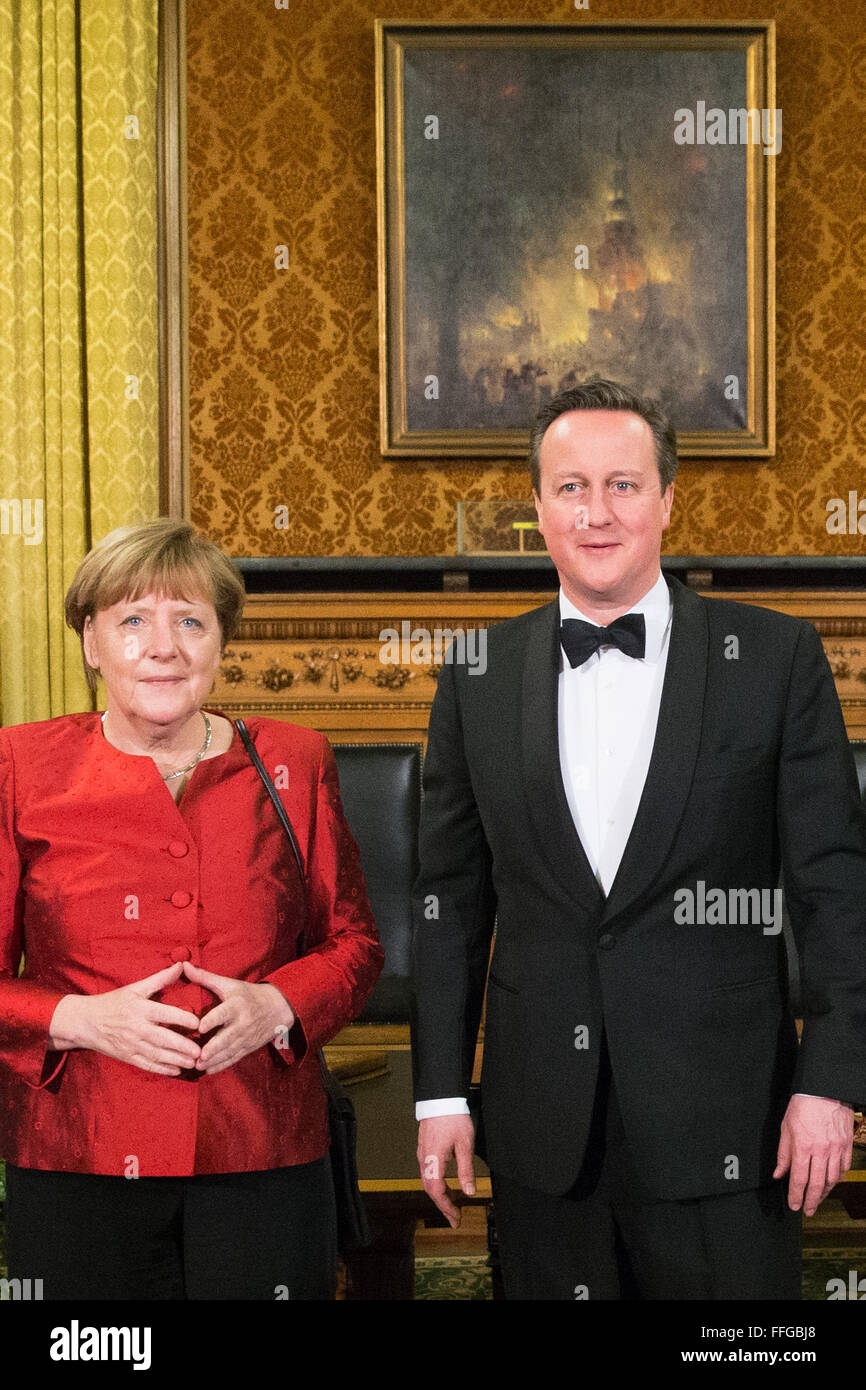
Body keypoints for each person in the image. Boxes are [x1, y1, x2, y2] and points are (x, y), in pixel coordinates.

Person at [411, 377, 866, 1300]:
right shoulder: (475, 676)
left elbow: (836, 892)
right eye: (570, 487)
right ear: (536, 509)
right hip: (543, 1132)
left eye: (623, 484)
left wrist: (832, 1084)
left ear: (666, 500)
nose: (597, 511)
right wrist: (440, 1092)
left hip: (732, 1122)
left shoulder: (776, 659)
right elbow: (449, 904)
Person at [0, 518, 384, 1300]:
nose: (162, 646)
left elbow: (355, 944)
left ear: (220, 642)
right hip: (79, 1153)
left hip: (262, 1151)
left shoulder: (295, 759)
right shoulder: (19, 765)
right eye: (132, 620)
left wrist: (279, 1003)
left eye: (190, 621)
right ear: (90, 642)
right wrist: (79, 1020)